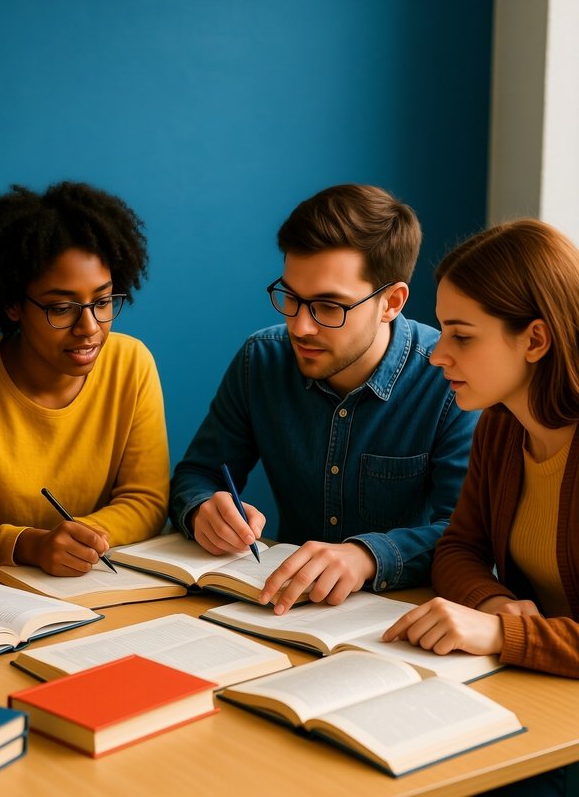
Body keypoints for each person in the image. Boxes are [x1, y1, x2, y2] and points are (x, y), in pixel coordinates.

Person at [169, 184, 479, 614]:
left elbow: (466, 535)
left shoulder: (450, 379)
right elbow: (197, 473)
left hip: (403, 618)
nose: (300, 327)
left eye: (329, 307)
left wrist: (367, 557)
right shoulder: (260, 360)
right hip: (278, 611)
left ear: (391, 302)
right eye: (291, 298)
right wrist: (203, 509)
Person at [0, 182, 170, 577]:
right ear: (12, 304)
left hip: (99, 584)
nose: (89, 327)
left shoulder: (132, 364)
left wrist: (83, 541)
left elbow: (146, 500)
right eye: (62, 308)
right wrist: (32, 545)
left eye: (102, 302)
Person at [383, 219, 579, 677]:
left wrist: (500, 634)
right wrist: (495, 604)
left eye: (462, 336)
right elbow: (458, 548)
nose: (437, 355)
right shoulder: (501, 427)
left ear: (535, 339)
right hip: (538, 684)